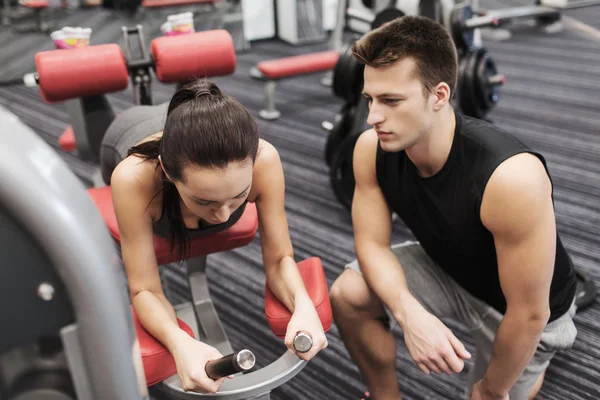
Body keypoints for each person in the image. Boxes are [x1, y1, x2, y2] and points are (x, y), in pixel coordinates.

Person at [329, 15, 578, 400]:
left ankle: (534, 368)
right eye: (370, 99)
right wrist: (408, 313)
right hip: (449, 269)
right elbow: (372, 245)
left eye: (391, 101)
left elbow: (530, 314)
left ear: (439, 95)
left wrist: (493, 389)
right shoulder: (371, 149)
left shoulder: (511, 178)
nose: (374, 116)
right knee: (349, 293)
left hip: (522, 311)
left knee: (488, 393)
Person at [101, 79, 328, 394]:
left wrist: (303, 305)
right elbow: (144, 290)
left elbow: (279, 259)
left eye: (238, 197)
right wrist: (181, 343)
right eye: (205, 201)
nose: (223, 216)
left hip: (186, 131)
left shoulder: (264, 160)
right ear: (168, 172)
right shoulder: (133, 177)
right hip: (129, 130)